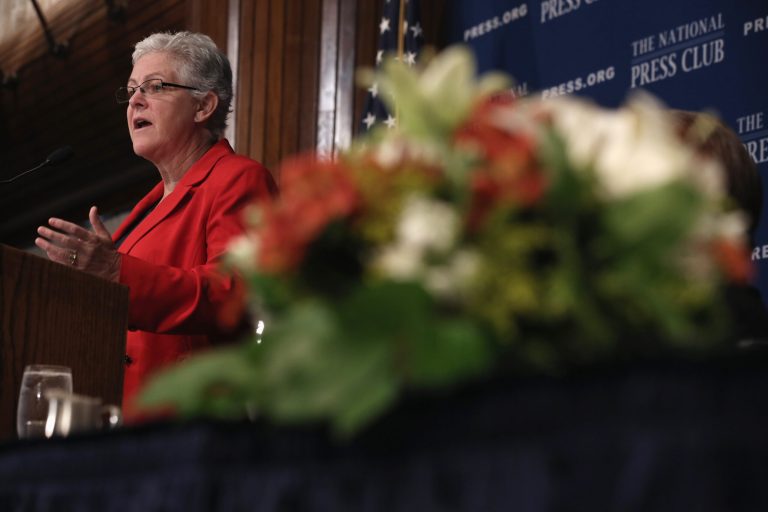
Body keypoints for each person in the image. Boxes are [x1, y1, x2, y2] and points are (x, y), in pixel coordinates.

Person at [34, 31, 278, 417]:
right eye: (132, 90)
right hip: (121, 417)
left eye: (155, 86)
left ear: (203, 106)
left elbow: (232, 293)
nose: (134, 100)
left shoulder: (238, 178)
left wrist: (115, 271)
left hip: (191, 419)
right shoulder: (147, 207)